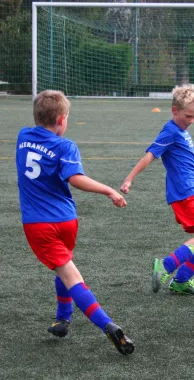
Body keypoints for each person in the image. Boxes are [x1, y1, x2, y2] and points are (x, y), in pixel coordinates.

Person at [16, 90, 134, 355]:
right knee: (64, 267)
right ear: (61, 119)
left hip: (38, 224)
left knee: (69, 274)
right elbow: (75, 178)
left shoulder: (23, 137)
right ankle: (63, 318)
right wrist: (109, 190)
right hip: (66, 220)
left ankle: (107, 325)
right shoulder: (65, 146)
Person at [120, 84, 194, 296]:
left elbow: (187, 149)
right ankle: (166, 266)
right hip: (185, 193)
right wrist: (130, 179)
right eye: (188, 116)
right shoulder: (169, 131)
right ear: (175, 110)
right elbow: (150, 154)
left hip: (193, 191)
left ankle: (181, 281)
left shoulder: (181, 131)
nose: (191, 121)